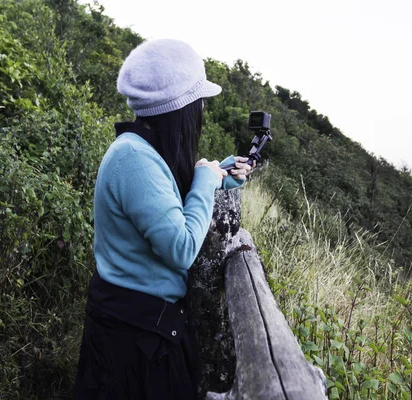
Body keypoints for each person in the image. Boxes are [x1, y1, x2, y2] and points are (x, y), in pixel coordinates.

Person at [73, 39, 254, 399]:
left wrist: (217, 175)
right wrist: (204, 183)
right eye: (199, 102)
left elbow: (162, 199)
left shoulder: (142, 150)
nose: (202, 110)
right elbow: (181, 247)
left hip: (139, 326)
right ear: (181, 109)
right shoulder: (133, 160)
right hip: (133, 341)